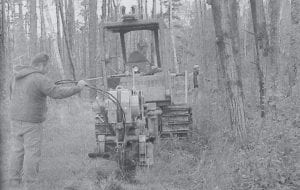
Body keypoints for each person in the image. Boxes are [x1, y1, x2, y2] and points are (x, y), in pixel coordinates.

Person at [8, 53, 87, 189]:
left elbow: (13, 94)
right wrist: (78, 88)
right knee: (32, 152)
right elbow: (57, 93)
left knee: (17, 150)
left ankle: (14, 182)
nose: (47, 69)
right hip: (32, 122)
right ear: (39, 65)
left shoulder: (16, 76)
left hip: (15, 120)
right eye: (46, 66)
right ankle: (30, 184)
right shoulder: (39, 78)